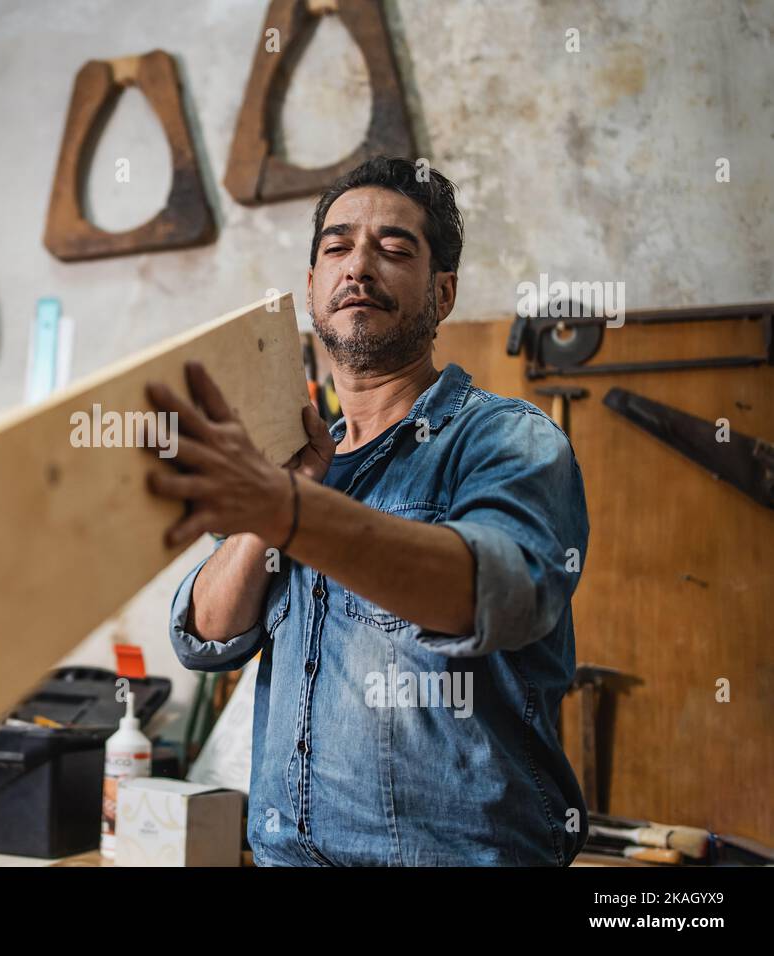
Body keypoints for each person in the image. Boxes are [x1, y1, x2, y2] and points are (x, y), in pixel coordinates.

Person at [144, 156, 590, 866]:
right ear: (313, 288)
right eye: (337, 248)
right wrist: (274, 508)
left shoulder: (508, 439)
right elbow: (205, 636)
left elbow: (490, 594)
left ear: (443, 294)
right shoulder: (295, 462)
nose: (359, 267)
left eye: (393, 249)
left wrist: (288, 509)